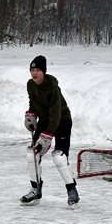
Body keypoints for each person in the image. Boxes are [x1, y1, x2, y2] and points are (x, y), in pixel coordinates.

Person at [21, 55, 79, 207]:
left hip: (61, 122)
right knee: (32, 154)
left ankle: (72, 190)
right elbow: (32, 100)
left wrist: (48, 136)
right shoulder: (30, 84)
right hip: (45, 121)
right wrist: (31, 114)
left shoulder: (53, 88)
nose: (35, 73)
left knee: (59, 157)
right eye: (32, 70)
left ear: (44, 72)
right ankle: (36, 189)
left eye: (38, 70)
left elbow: (56, 115)